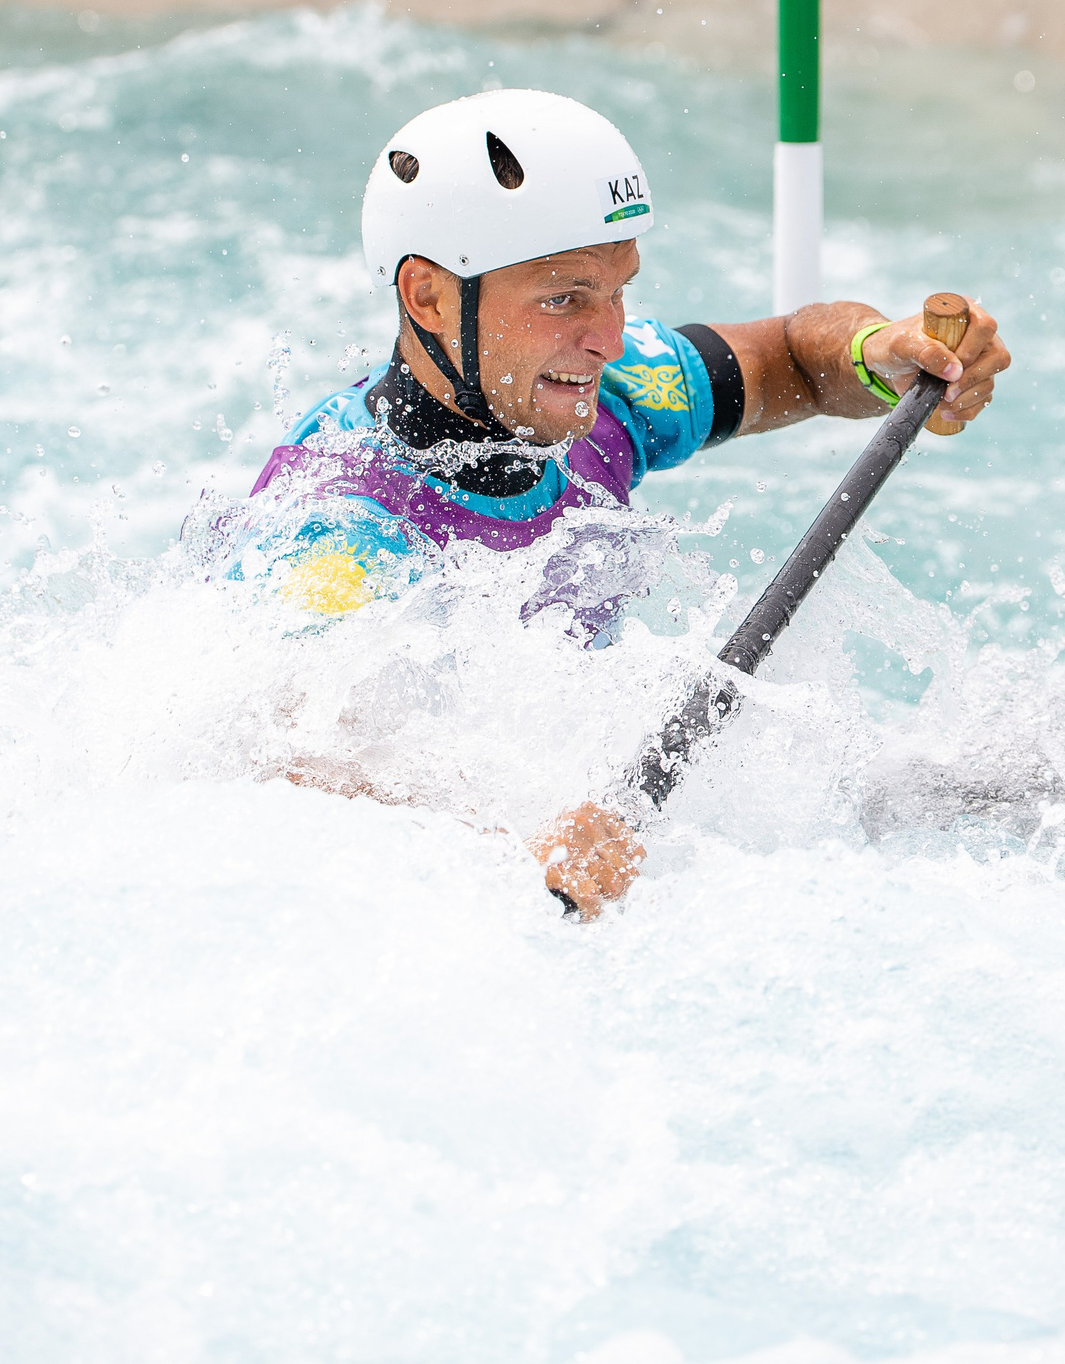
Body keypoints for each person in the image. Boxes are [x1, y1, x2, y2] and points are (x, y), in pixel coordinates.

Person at [242, 89, 1010, 913]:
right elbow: (285, 770)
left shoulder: (611, 393)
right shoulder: (336, 523)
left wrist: (880, 352)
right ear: (428, 295)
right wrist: (506, 838)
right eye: (565, 297)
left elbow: (790, 354)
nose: (609, 338)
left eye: (619, 291)